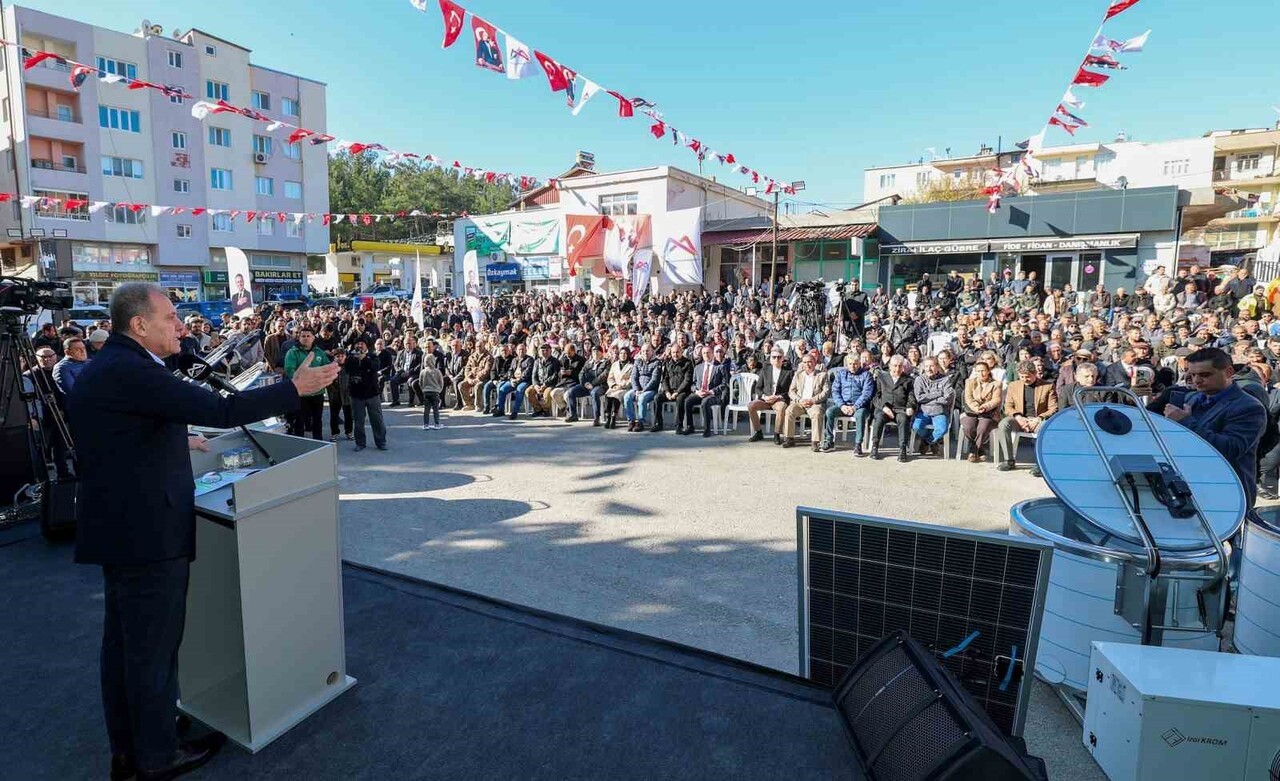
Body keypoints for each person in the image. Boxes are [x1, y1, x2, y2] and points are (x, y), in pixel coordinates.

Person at [66, 282, 337, 781]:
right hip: (147, 534)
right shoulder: (132, 369)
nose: (180, 325)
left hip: (119, 528)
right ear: (139, 324)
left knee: (125, 649)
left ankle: (134, 745)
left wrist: (170, 436)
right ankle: (154, 757)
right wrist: (293, 389)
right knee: (151, 651)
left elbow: (121, 434)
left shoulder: (112, 365)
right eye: (170, 318)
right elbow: (222, 410)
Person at [1161, 347, 1268, 510]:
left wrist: (1186, 422)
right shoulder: (1193, 398)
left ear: (1229, 372)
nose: (1196, 380)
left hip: (1227, 495)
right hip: (1190, 489)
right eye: (1192, 374)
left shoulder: (1248, 407)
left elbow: (1230, 448)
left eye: (1205, 375)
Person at [997, 360, 1058, 474]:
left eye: (1028, 376)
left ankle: (1040, 464)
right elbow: (1008, 407)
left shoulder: (1047, 386)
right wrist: (1018, 416)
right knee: (1003, 424)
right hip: (1019, 418)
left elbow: (1053, 408)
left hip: (1037, 419)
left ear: (1035, 373)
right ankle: (1009, 460)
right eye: (1022, 377)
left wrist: (1038, 418)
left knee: (1044, 429)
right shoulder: (1013, 385)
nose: (1025, 379)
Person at [283, 325, 330, 440]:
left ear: (313, 338)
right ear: (299, 338)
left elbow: (326, 367)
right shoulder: (292, 352)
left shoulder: (319, 352)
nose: (305, 338)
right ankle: (300, 441)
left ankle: (318, 441)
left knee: (317, 418)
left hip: (317, 392)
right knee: (300, 419)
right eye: (303, 336)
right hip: (301, 392)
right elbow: (290, 370)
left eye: (308, 336)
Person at [822, 354, 874, 455]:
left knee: (860, 414)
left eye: (855, 364)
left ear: (859, 363)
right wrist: (842, 405)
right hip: (843, 406)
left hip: (859, 407)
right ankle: (829, 440)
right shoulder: (841, 374)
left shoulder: (866, 375)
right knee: (829, 412)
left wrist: (855, 407)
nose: (853, 366)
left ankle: (858, 444)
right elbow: (835, 391)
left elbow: (867, 394)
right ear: (847, 364)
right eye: (850, 364)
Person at [780, 352, 829, 451]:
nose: (807, 364)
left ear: (815, 363)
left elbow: (826, 392)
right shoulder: (798, 375)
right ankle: (789, 438)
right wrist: (799, 400)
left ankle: (815, 442)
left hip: (814, 403)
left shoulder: (822, 375)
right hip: (800, 402)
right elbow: (791, 391)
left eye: (810, 362)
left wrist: (813, 400)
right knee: (789, 410)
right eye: (805, 362)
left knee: (817, 413)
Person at [870, 354, 915, 462]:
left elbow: (911, 397)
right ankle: (875, 447)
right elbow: (876, 397)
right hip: (884, 408)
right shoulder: (882, 377)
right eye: (895, 366)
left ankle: (902, 449)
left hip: (900, 409)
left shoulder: (908, 380)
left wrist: (910, 406)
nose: (897, 369)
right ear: (890, 366)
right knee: (879, 418)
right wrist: (884, 407)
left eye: (900, 366)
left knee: (903, 420)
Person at [346, 340, 388, 451]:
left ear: (366, 345)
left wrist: (364, 359)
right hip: (356, 394)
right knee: (358, 421)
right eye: (358, 343)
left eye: (362, 343)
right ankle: (360, 443)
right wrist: (355, 359)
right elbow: (347, 369)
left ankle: (381, 442)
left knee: (377, 419)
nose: (360, 345)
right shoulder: (350, 357)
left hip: (372, 393)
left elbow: (375, 367)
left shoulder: (373, 356)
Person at [910, 356, 954, 456]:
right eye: (926, 366)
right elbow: (919, 398)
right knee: (916, 427)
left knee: (942, 429)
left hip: (939, 411)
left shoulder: (945, 380)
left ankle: (927, 441)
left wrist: (929, 399)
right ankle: (933, 441)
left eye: (932, 366)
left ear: (937, 367)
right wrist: (938, 394)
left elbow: (948, 398)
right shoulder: (919, 380)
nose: (929, 369)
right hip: (923, 411)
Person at [960, 360, 1002, 462]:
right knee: (968, 427)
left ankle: (973, 450)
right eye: (978, 371)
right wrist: (976, 408)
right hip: (972, 411)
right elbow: (968, 398)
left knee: (982, 428)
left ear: (988, 371)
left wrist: (985, 406)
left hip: (989, 413)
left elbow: (997, 399)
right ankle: (980, 449)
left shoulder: (996, 384)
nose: (981, 373)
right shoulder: (969, 382)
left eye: (983, 370)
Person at [683, 345, 729, 437]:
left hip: (714, 394)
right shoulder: (698, 367)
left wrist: (711, 392)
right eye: (704, 353)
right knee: (687, 401)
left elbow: (724, 384)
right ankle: (690, 426)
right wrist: (696, 391)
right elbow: (693, 384)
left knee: (705, 402)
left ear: (712, 354)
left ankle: (707, 429)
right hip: (700, 393)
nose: (706, 355)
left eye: (708, 353)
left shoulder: (720, 367)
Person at [748, 349, 792, 444]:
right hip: (766, 399)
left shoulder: (788, 372)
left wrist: (777, 397)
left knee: (781, 408)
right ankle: (758, 432)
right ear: (770, 359)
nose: (776, 359)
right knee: (751, 406)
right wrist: (764, 397)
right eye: (774, 357)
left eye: (779, 357)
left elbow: (790, 391)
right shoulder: (765, 370)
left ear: (783, 358)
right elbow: (758, 388)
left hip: (779, 399)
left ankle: (777, 434)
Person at [654, 342, 691, 433]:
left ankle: (679, 425)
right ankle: (658, 423)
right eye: (673, 352)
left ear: (681, 352)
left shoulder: (687, 363)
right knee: (657, 397)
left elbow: (687, 380)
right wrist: (667, 391)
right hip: (669, 391)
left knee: (680, 399)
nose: (675, 354)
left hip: (682, 391)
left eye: (677, 352)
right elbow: (664, 379)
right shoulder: (668, 363)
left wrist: (677, 392)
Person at [624, 343, 662, 432]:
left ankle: (640, 421)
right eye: (643, 351)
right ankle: (631, 421)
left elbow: (654, 380)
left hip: (650, 390)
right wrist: (637, 389)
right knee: (627, 397)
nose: (645, 353)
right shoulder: (638, 361)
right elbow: (633, 377)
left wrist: (643, 391)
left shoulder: (657, 362)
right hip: (637, 389)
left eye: (647, 351)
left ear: (652, 352)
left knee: (642, 398)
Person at [326, 348, 354, 442]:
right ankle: (334, 433)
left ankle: (349, 432)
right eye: (338, 356)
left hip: (347, 394)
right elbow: (328, 381)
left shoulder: (349, 366)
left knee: (348, 415)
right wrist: (331, 390)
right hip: (335, 394)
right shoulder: (331, 367)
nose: (340, 358)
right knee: (334, 415)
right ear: (334, 357)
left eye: (342, 356)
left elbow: (352, 379)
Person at [603, 347, 634, 429]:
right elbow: (610, 377)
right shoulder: (614, 364)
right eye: (621, 353)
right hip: (615, 386)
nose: (623, 355)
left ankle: (613, 416)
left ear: (628, 355)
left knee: (617, 395)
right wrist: (613, 385)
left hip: (624, 388)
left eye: (625, 353)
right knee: (607, 394)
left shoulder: (631, 366)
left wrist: (621, 385)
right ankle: (608, 416)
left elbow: (631, 380)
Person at [419, 354, 445, 430]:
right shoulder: (437, 371)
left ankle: (426, 424)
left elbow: (420, 382)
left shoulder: (423, 372)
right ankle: (437, 424)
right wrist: (439, 390)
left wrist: (423, 389)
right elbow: (441, 382)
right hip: (435, 392)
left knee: (426, 410)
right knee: (436, 409)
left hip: (426, 392)